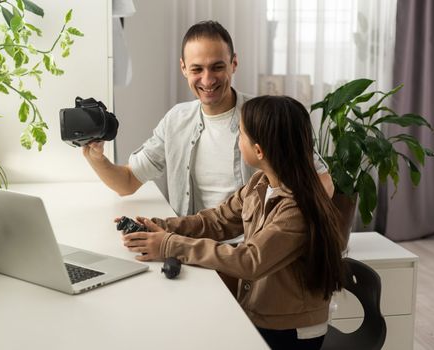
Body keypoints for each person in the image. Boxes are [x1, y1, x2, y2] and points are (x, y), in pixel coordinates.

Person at [121, 95, 347, 350]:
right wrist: (162, 227)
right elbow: (218, 220)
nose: (238, 141)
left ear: (259, 150)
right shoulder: (260, 184)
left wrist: (169, 246)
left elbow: (249, 260)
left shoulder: (297, 208)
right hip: (262, 312)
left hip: (289, 331)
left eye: (240, 135)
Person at [83, 20, 334, 218]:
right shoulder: (175, 121)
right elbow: (126, 183)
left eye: (217, 67)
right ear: (183, 68)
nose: (207, 80)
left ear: (233, 63)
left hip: (253, 253)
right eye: (197, 69)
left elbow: (324, 182)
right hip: (196, 247)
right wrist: (96, 158)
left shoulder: (263, 116)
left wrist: (278, 224)